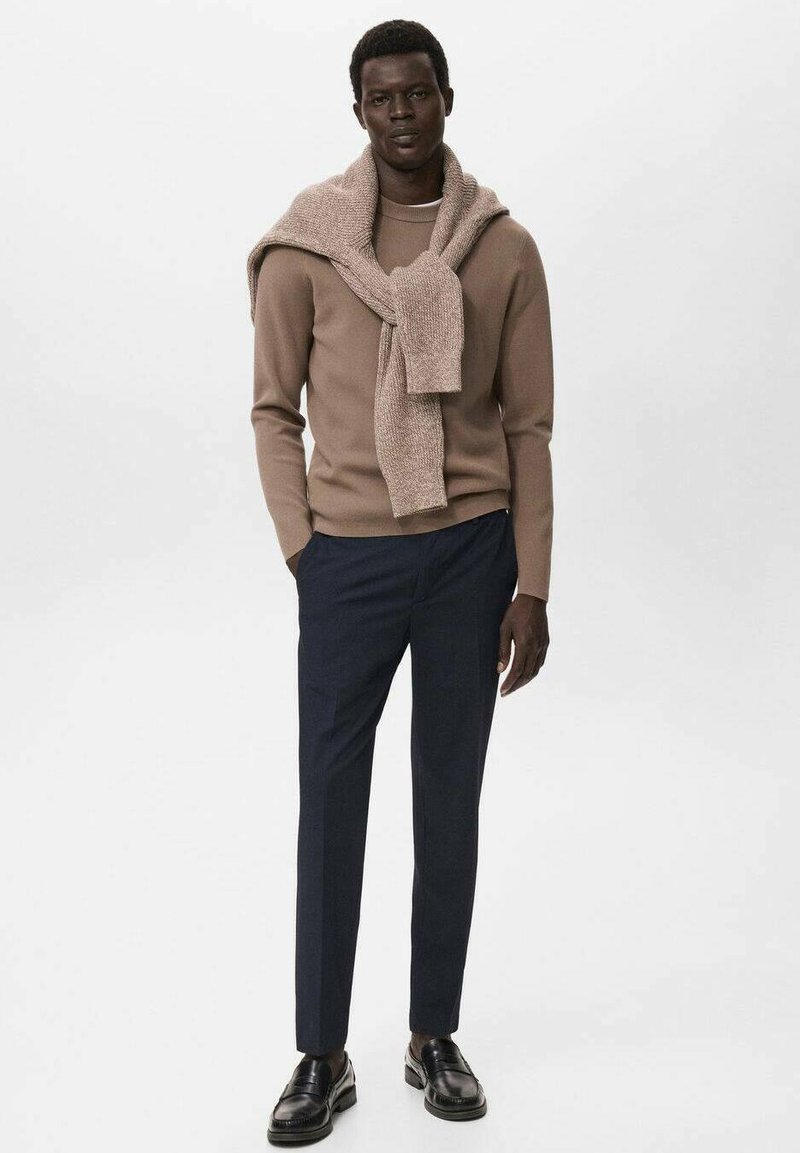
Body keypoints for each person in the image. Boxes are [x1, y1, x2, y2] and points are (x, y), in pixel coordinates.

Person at [247, 19, 554, 1145]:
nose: (401, 114)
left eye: (417, 93)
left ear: (446, 98)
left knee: (447, 799)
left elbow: (527, 425)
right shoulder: (306, 246)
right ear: (358, 112)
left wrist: (533, 582)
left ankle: (432, 1034)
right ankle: (320, 1054)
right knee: (330, 801)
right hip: (348, 561)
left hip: (471, 552)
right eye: (380, 98)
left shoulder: (501, 247)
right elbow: (271, 411)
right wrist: (305, 547)